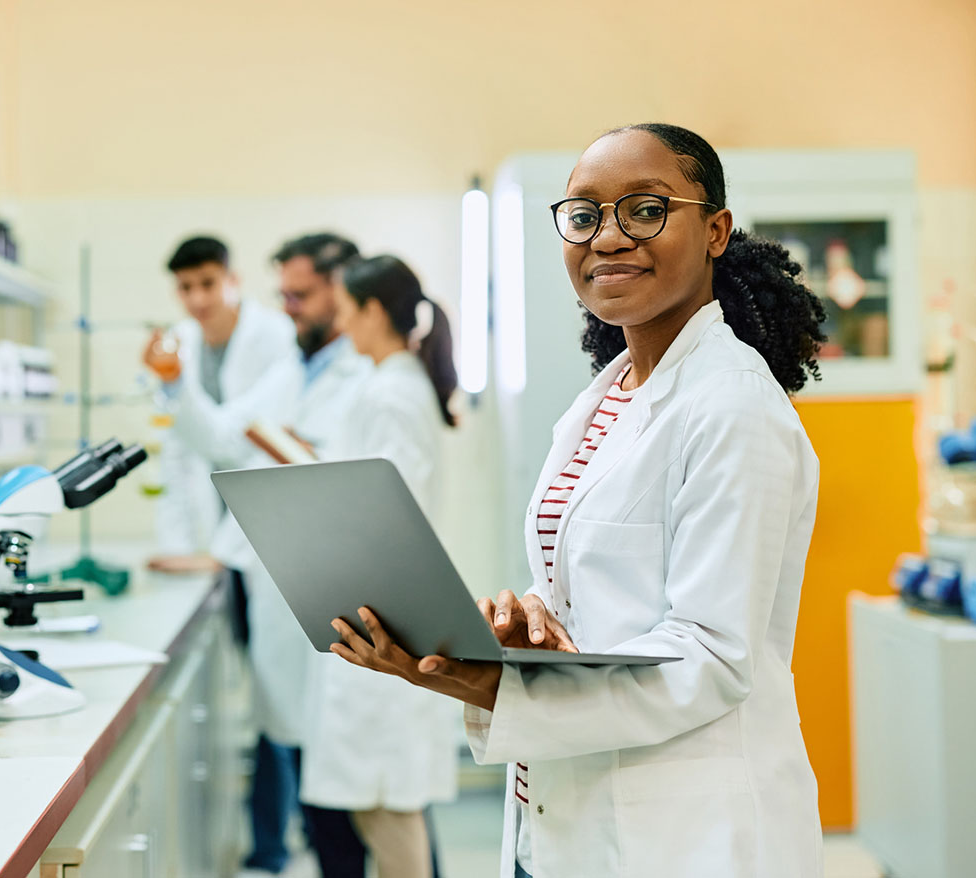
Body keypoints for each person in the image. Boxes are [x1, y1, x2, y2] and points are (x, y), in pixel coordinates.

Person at [326, 123, 828, 878]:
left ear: (716, 230)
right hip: (566, 813)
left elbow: (711, 658)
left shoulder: (733, 406)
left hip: (684, 833)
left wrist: (491, 681)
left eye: (647, 210)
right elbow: (593, 583)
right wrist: (527, 624)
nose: (610, 237)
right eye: (586, 215)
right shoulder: (608, 399)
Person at [166, 232, 371, 876]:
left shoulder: (367, 374)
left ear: (344, 288)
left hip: (337, 593)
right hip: (280, 582)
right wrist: (176, 385)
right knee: (311, 765)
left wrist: (297, 459)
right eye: (283, 294)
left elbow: (362, 489)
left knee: (363, 790)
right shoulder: (296, 368)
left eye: (301, 295)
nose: (288, 309)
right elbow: (226, 441)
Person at [298, 256, 460, 878]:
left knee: (389, 812)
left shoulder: (394, 391)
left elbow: (393, 515)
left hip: (384, 622)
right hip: (372, 617)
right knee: (376, 810)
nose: (338, 320)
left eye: (344, 307)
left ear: (370, 311)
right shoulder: (387, 383)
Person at [143, 235, 296, 575]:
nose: (197, 298)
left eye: (208, 284)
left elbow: (245, 440)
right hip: (210, 518)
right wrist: (176, 546)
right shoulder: (179, 343)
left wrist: (174, 383)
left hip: (268, 514)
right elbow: (176, 452)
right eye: (185, 287)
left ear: (233, 280)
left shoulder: (277, 336)